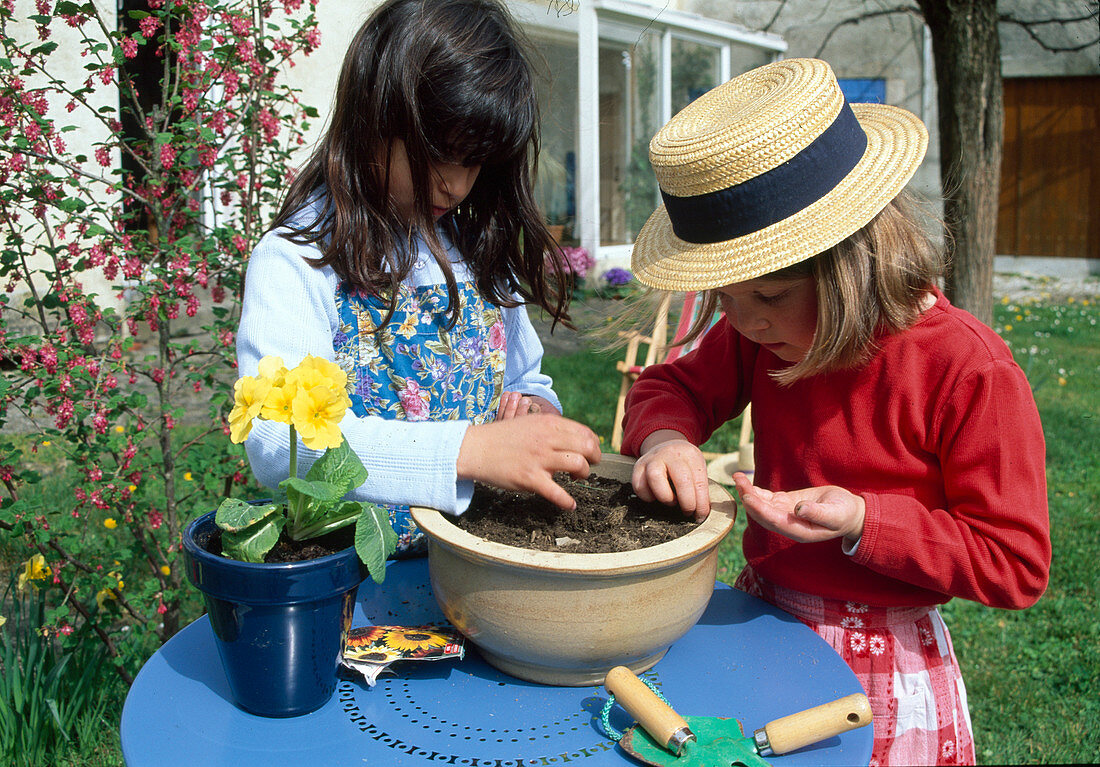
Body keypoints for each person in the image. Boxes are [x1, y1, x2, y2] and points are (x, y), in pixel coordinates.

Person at [619, 58, 1050, 766]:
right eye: (724, 299)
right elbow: (672, 388)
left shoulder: (968, 370)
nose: (745, 323)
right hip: (765, 629)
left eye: (768, 296)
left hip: (882, 667)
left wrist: (863, 519)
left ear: (855, 259)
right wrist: (666, 437)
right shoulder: (760, 329)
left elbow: (1015, 560)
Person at [237, 0, 601, 555]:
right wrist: (468, 451)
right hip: (360, 583)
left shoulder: (475, 250)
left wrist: (532, 410)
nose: (455, 186)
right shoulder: (301, 259)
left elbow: (525, 379)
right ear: (372, 121)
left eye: (474, 161)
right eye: (439, 154)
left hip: (480, 561)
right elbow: (276, 440)